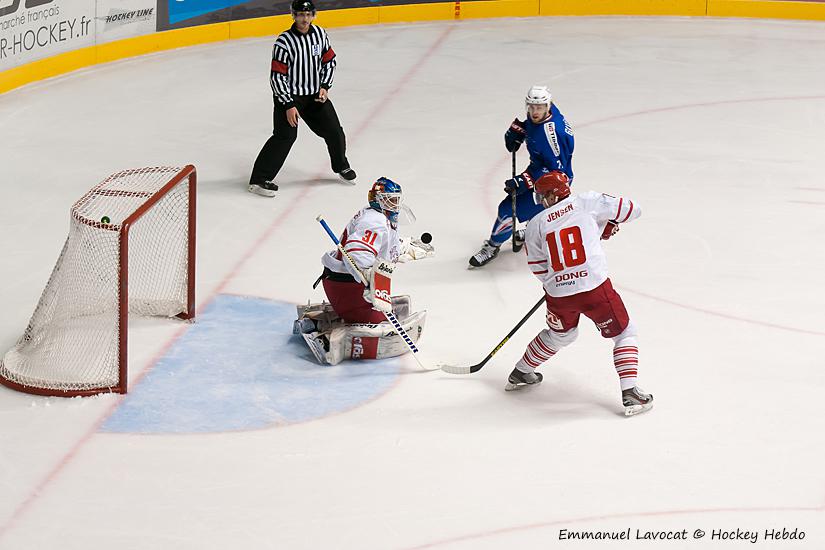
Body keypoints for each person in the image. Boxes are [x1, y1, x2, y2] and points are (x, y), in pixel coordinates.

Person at [507, 170, 653, 417]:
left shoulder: (535, 224)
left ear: (554, 195)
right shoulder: (587, 202)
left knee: (560, 335)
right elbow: (633, 209)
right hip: (594, 289)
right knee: (624, 332)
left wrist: (561, 282)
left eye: (543, 196)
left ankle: (521, 371)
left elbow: (539, 267)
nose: (541, 201)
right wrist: (605, 221)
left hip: (558, 295)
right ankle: (630, 393)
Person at [294, 177, 435, 365]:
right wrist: (368, 279)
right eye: (390, 199)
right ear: (378, 199)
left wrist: (405, 247)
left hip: (344, 282)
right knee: (378, 321)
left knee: (382, 310)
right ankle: (322, 334)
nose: (396, 204)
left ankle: (320, 320)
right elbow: (356, 253)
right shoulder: (374, 221)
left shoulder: (380, 216)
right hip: (346, 286)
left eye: (397, 199)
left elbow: (382, 246)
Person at [248, 0, 356, 197]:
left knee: (334, 131)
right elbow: (277, 76)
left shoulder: (320, 34)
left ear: (313, 15)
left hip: (315, 96)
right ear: (293, 15)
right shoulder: (284, 41)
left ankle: (341, 166)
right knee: (285, 136)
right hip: (290, 98)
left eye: (307, 15)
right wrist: (288, 104)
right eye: (300, 15)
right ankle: (258, 180)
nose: (304, 19)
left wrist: (325, 86)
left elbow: (329, 60)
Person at [469, 85, 575, 267]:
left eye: (539, 107)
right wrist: (522, 130)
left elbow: (557, 173)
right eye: (531, 106)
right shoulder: (542, 114)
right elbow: (534, 129)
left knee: (508, 209)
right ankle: (531, 231)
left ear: (547, 106)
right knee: (524, 206)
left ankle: (493, 246)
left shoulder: (551, 134)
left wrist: (524, 180)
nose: (534, 111)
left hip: (554, 185)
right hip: (540, 172)